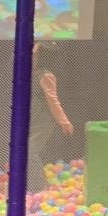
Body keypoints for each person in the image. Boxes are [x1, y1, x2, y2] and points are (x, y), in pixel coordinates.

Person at [28, 41, 74, 193]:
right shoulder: (31, 73)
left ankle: (39, 187)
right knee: (24, 150)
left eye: (35, 55)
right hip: (31, 118)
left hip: (43, 120)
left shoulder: (46, 76)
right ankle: (31, 184)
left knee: (29, 151)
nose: (31, 57)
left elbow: (53, 100)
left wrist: (64, 122)